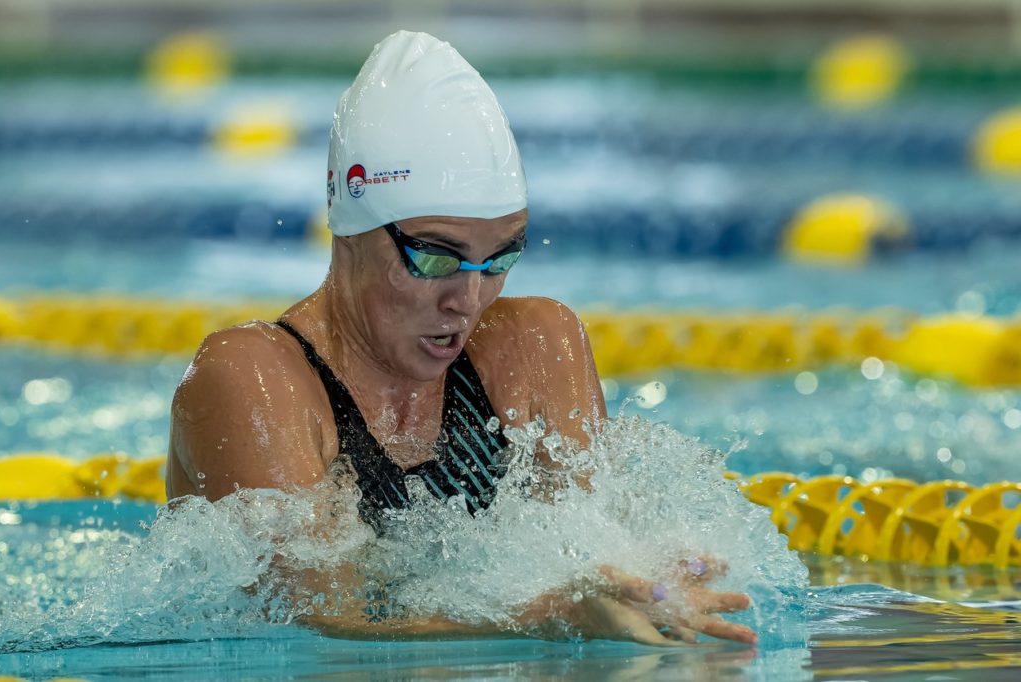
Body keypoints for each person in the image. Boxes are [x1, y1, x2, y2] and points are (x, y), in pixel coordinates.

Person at [166, 30, 755, 647]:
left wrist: (653, 581)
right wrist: (542, 621)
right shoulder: (254, 379)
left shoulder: (537, 344)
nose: (467, 301)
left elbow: (587, 555)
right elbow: (320, 631)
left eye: (500, 259)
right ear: (349, 227)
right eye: (437, 258)